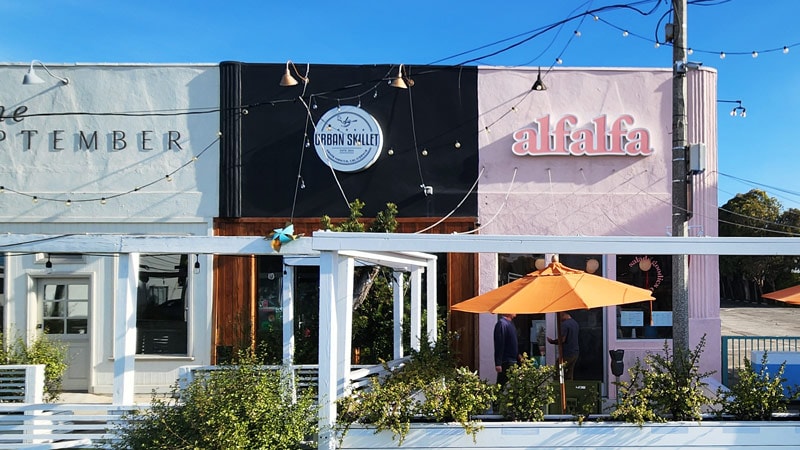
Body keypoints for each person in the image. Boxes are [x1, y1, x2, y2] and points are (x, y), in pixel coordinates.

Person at [548, 311, 580, 380]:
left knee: (558, 370)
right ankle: (569, 385)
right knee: (569, 372)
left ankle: (557, 385)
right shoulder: (575, 323)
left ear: (563, 314)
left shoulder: (565, 324)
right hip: (575, 352)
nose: (559, 319)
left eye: (559, 316)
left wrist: (552, 341)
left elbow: (562, 339)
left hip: (567, 353)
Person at [493, 313, 519, 387]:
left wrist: (518, 354)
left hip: (513, 360)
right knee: (501, 385)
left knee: (515, 385)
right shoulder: (502, 324)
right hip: (506, 360)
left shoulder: (511, 324)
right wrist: (498, 363)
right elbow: (499, 343)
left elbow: (513, 342)